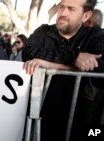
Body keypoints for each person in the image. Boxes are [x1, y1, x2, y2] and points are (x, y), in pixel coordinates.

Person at [22, 0, 104, 140]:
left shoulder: (96, 35)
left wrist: (47, 63)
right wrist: (74, 59)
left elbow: (99, 66)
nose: (63, 13)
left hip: (79, 124)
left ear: (86, 16)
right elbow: (28, 52)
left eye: (71, 9)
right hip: (39, 120)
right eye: (61, 7)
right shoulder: (44, 31)